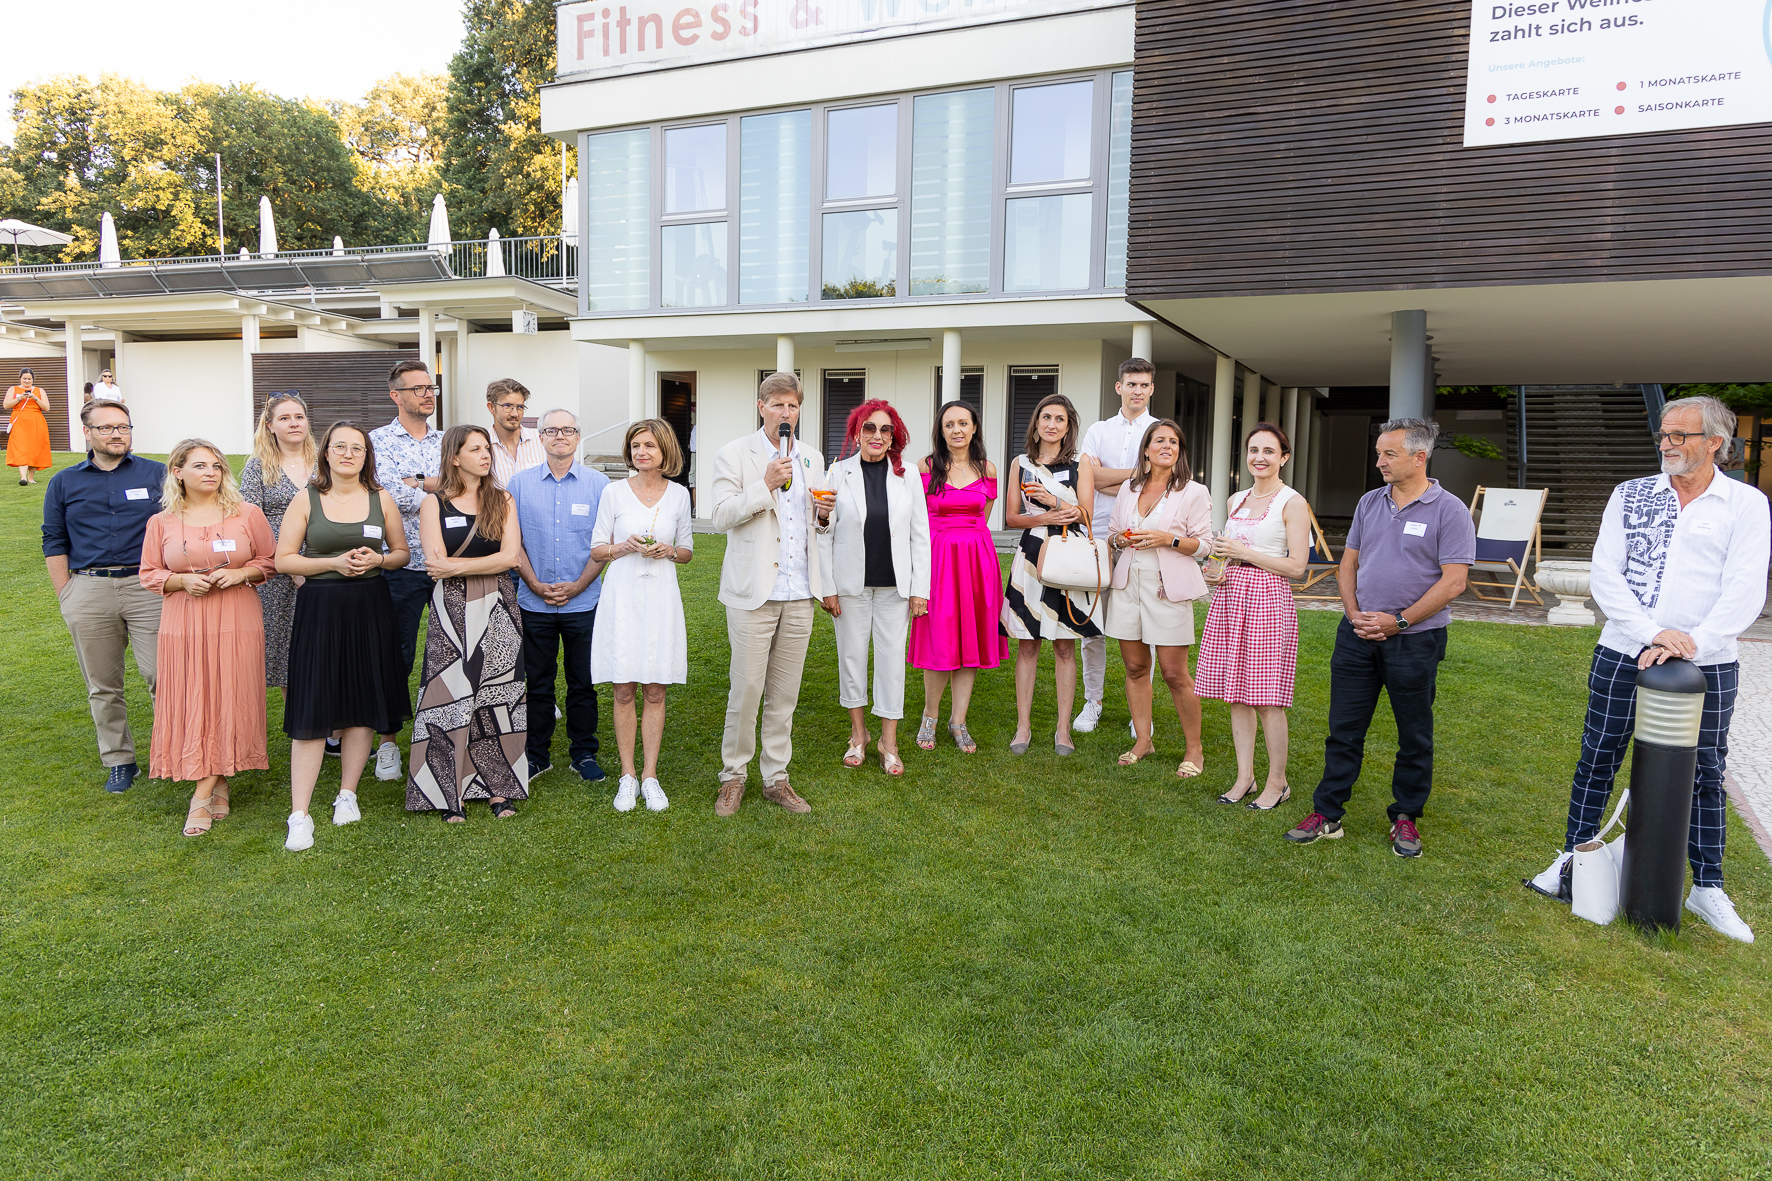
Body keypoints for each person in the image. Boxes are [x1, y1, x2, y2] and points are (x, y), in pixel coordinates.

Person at [1527, 396, 1770, 942]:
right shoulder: (1630, 494)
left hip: (1709, 662)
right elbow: (1606, 574)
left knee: (1706, 770)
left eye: (1680, 435)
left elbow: (1745, 589)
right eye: (1663, 434)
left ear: (1715, 443)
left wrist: (1693, 643)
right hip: (1624, 649)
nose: (1667, 444)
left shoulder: (1746, 504)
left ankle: (1708, 887)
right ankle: (1571, 860)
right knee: (1598, 756)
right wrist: (1653, 634)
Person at [1285, 418, 1475, 857]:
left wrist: (1399, 622)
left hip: (1415, 640)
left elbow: (1454, 582)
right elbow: (1348, 564)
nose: (1379, 462)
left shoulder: (1450, 510)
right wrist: (1353, 614)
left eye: (1389, 454)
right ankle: (1327, 813)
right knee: (1343, 730)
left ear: (1419, 457)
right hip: (1356, 635)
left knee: (1414, 734)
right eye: (1378, 453)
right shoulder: (1370, 502)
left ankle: (1406, 816)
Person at [275, 422, 411, 852]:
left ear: (367, 455)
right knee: (313, 705)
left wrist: (379, 560)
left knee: (362, 701)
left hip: (370, 607)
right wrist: (332, 563)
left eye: (357, 448)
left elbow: (402, 554)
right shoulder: (307, 498)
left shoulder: (380, 498)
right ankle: (300, 814)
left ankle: (347, 794)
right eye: (340, 447)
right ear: (326, 454)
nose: (348, 454)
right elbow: (283, 560)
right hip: (321, 609)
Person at [139, 440, 277, 836]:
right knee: (195, 697)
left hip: (236, 615)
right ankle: (217, 782)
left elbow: (269, 561)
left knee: (231, 693)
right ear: (178, 472)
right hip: (184, 619)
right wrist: (179, 580)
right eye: (200, 466)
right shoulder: (161, 522)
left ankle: (201, 795)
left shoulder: (246, 513)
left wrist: (241, 573)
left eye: (216, 466)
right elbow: (149, 572)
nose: (211, 472)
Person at [709, 371, 830, 816]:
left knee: (785, 694)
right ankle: (733, 776)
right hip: (753, 593)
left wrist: (823, 516)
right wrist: (765, 484)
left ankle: (776, 777)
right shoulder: (734, 453)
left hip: (799, 592)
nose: (786, 412)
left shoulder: (812, 457)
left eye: (792, 405)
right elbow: (720, 516)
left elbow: (813, 526)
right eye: (777, 404)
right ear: (761, 407)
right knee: (746, 690)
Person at [41, 401, 167, 793]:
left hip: (147, 588)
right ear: (87, 433)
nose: (117, 434)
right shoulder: (64, 482)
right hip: (89, 590)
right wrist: (67, 593)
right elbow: (53, 539)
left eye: (123, 427)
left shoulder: (156, 473)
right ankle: (119, 761)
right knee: (103, 685)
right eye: (107, 428)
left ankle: (172, 753)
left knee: (163, 675)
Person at [408, 425, 528, 822]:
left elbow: (510, 558)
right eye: (475, 449)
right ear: (455, 457)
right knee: (448, 697)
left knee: (498, 695)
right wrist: (475, 565)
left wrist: (456, 566)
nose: (485, 455)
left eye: (486, 448)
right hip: (452, 606)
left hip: (499, 604)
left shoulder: (502, 499)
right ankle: (448, 793)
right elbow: (434, 564)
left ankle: (499, 789)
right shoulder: (434, 503)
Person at [1195, 423, 1312, 810]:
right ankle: (1245, 776)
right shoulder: (1236, 500)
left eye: (1269, 451)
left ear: (1284, 458)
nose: (1259, 458)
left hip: (1267, 600)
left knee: (1266, 698)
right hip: (1231, 597)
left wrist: (1244, 554)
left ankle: (1278, 782)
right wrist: (1216, 569)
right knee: (1237, 695)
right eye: (1253, 450)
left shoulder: (1292, 502)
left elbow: (1297, 567)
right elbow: (1225, 553)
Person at [818, 399, 931, 776]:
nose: (877, 435)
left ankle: (889, 741)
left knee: (891, 662)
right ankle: (858, 735)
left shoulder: (908, 475)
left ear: (894, 437)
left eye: (885, 429)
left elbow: (920, 535)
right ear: (857, 432)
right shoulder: (837, 472)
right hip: (849, 585)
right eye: (869, 428)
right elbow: (823, 531)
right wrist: (827, 586)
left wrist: (920, 588)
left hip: (895, 587)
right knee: (851, 658)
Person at [590, 418, 694, 811]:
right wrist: (624, 546)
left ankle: (650, 775)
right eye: (635, 446)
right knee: (623, 688)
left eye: (649, 445)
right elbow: (597, 549)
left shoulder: (679, 495)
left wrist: (669, 550)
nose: (641, 452)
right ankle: (627, 775)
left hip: (661, 595)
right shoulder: (613, 492)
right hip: (623, 595)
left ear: (665, 449)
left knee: (655, 689)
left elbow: (687, 551)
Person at [1103, 419, 1212, 777]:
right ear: (1146, 450)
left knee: (1174, 673)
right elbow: (1112, 534)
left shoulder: (1194, 492)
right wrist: (1120, 540)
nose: (1167, 446)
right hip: (1128, 585)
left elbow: (1205, 545)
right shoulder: (1129, 488)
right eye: (1160, 440)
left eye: (1174, 442)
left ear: (1180, 451)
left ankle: (1194, 750)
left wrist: (1169, 539)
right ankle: (1143, 741)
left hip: (1168, 588)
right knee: (1135, 668)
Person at [510, 407, 609, 784]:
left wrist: (579, 585)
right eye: (551, 430)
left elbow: (605, 544)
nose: (560, 436)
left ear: (578, 438)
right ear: (540, 438)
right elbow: (513, 541)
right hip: (533, 602)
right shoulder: (519, 485)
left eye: (568, 430)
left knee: (583, 682)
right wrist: (534, 583)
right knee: (537, 683)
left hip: (584, 602)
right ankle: (537, 755)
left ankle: (583, 753)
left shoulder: (599, 485)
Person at [1002, 393, 1101, 757]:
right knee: (1027, 644)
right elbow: (1011, 517)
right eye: (1046, 417)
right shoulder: (1020, 463)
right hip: (1031, 555)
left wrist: (1053, 501)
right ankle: (1023, 726)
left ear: (1068, 426)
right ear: (1036, 423)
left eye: (1060, 419)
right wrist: (1043, 516)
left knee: (1064, 645)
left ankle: (1063, 728)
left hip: (1067, 555)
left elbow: (1086, 514)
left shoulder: (1080, 462)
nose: (1052, 424)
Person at [909, 399, 1004, 755]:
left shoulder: (988, 469)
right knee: (939, 638)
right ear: (941, 431)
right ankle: (930, 716)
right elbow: (917, 520)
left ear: (974, 427)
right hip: (938, 559)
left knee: (970, 641)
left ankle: (958, 721)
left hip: (977, 562)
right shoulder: (926, 466)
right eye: (949, 424)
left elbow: (983, 519)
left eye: (963, 423)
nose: (957, 430)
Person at [369, 359, 445, 780]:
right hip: (399, 563)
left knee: (452, 651)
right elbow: (387, 493)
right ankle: (387, 742)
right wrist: (434, 489)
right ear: (395, 395)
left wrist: (417, 483)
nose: (427, 394)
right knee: (396, 653)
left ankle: (446, 732)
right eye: (417, 389)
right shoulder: (376, 441)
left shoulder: (447, 440)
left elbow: (463, 486)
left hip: (448, 562)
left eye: (430, 387)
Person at [1074, 358, 1158, 732]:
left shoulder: (1159, 431)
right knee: (1092, 626)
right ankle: (1092, 702)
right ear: (1118, 387)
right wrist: (1139, 474)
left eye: (1144, 384)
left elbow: (1158, 483)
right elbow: (1088, 480)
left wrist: (1108, 477)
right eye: (1131, 384)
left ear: (1151, 389)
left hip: (1142, 540)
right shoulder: (1098, 430)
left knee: (1142, 630)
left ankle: (1140, 713)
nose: (1137, 390)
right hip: (1098, 538)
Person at [240, 393, 316, 692]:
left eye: (299, 417)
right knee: (286, 653)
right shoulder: (258, 467)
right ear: (270, 426)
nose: (294, 423)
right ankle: (297, 718)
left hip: (325, 564)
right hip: (277, 573)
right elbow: (249, 522)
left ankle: (333, 722)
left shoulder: (326, 462)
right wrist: (290, 565)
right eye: (284, 418)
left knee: (325, 648)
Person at [487, 378, 546, 488]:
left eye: (520, 407)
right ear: (491, 407)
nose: (515, 414)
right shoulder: (482, 446)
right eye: (507, 406)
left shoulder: (541, 441)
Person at [6, 367, 51, 485]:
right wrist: (20, 398)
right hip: (19, 422)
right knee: (21, 448)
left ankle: (31, 477)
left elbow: (46, 407)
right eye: (24, 378)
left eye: (29, 379)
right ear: (20, 379)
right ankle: (23, 478)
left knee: (34, 448)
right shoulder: (13, 389)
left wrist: (35, 398)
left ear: (33, 379)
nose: (27, 381)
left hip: (36, 422)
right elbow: (6, 405)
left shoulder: (39, 390)